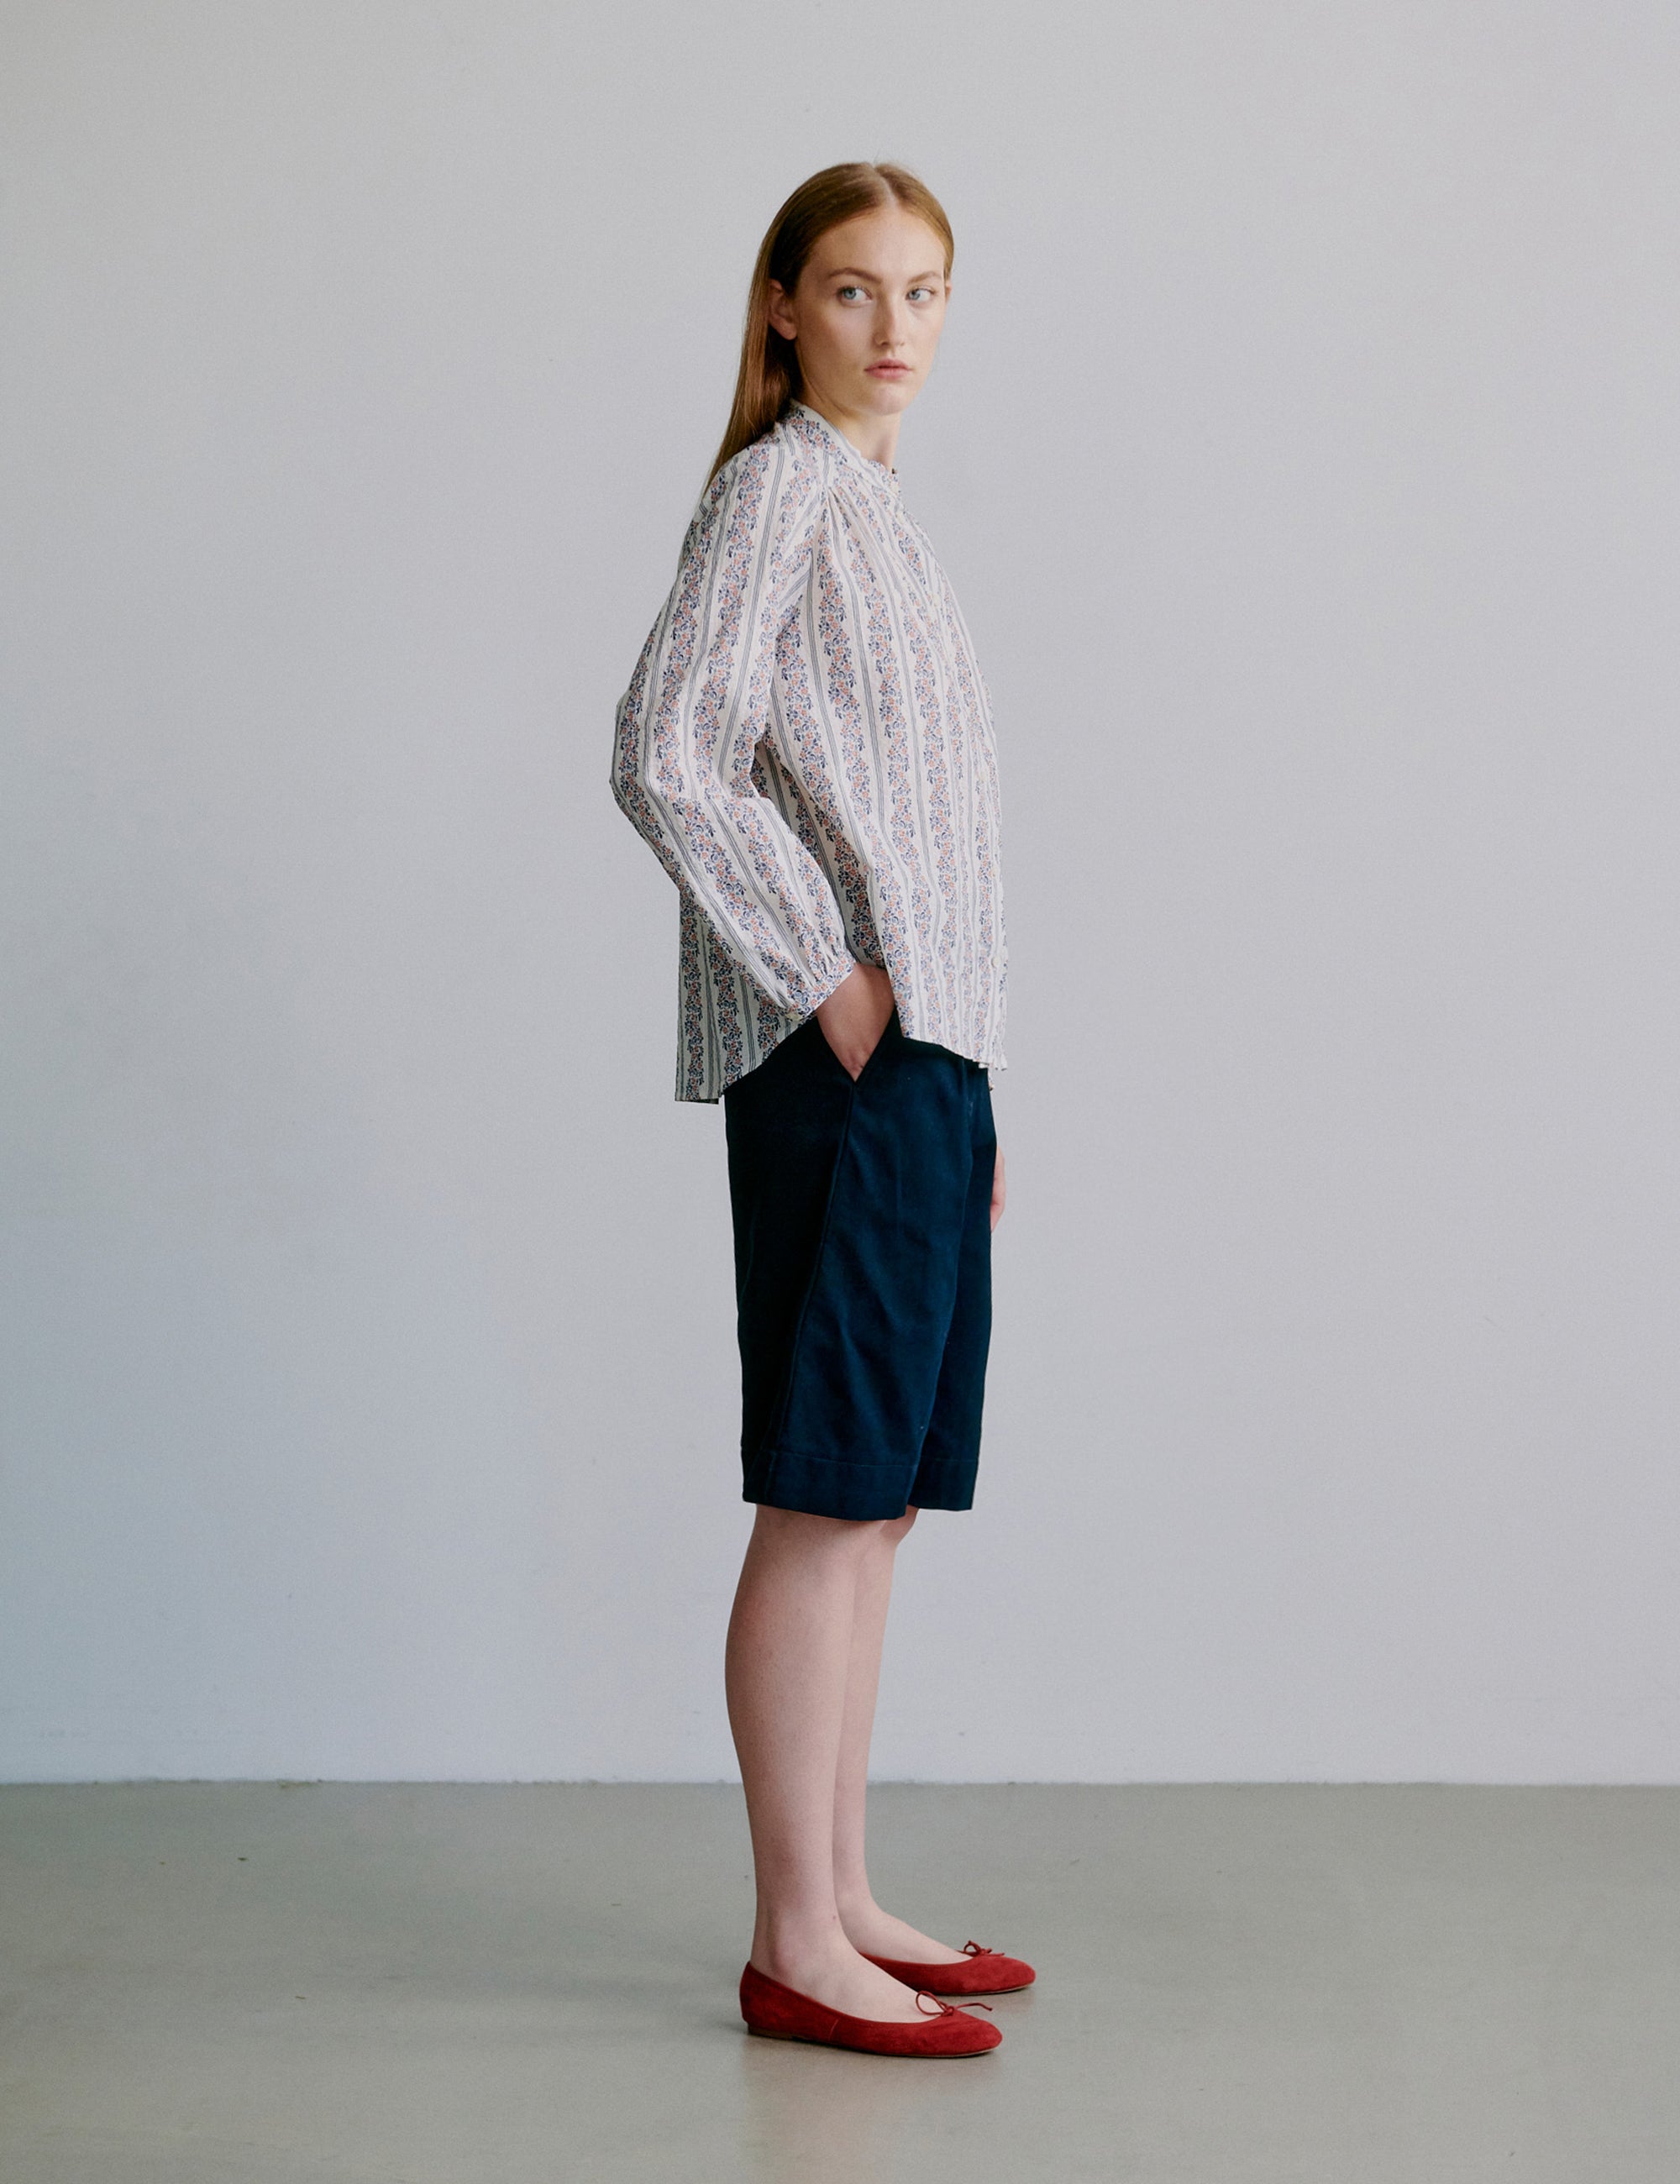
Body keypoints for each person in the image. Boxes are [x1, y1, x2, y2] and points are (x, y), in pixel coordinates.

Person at [611, 162, 1029, 2060]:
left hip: (920, 1069)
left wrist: (966, 1074)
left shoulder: (872, 511)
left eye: (923, 293)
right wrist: (842, 994)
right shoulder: (778, 490)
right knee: (822, 1493)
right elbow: (665, 750)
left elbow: (926, 835)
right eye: (853, 291)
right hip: (840, 1064)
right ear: (780, 305)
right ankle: (796, 1940)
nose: (893, 331)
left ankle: (843, 1890)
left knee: (878, 1508)